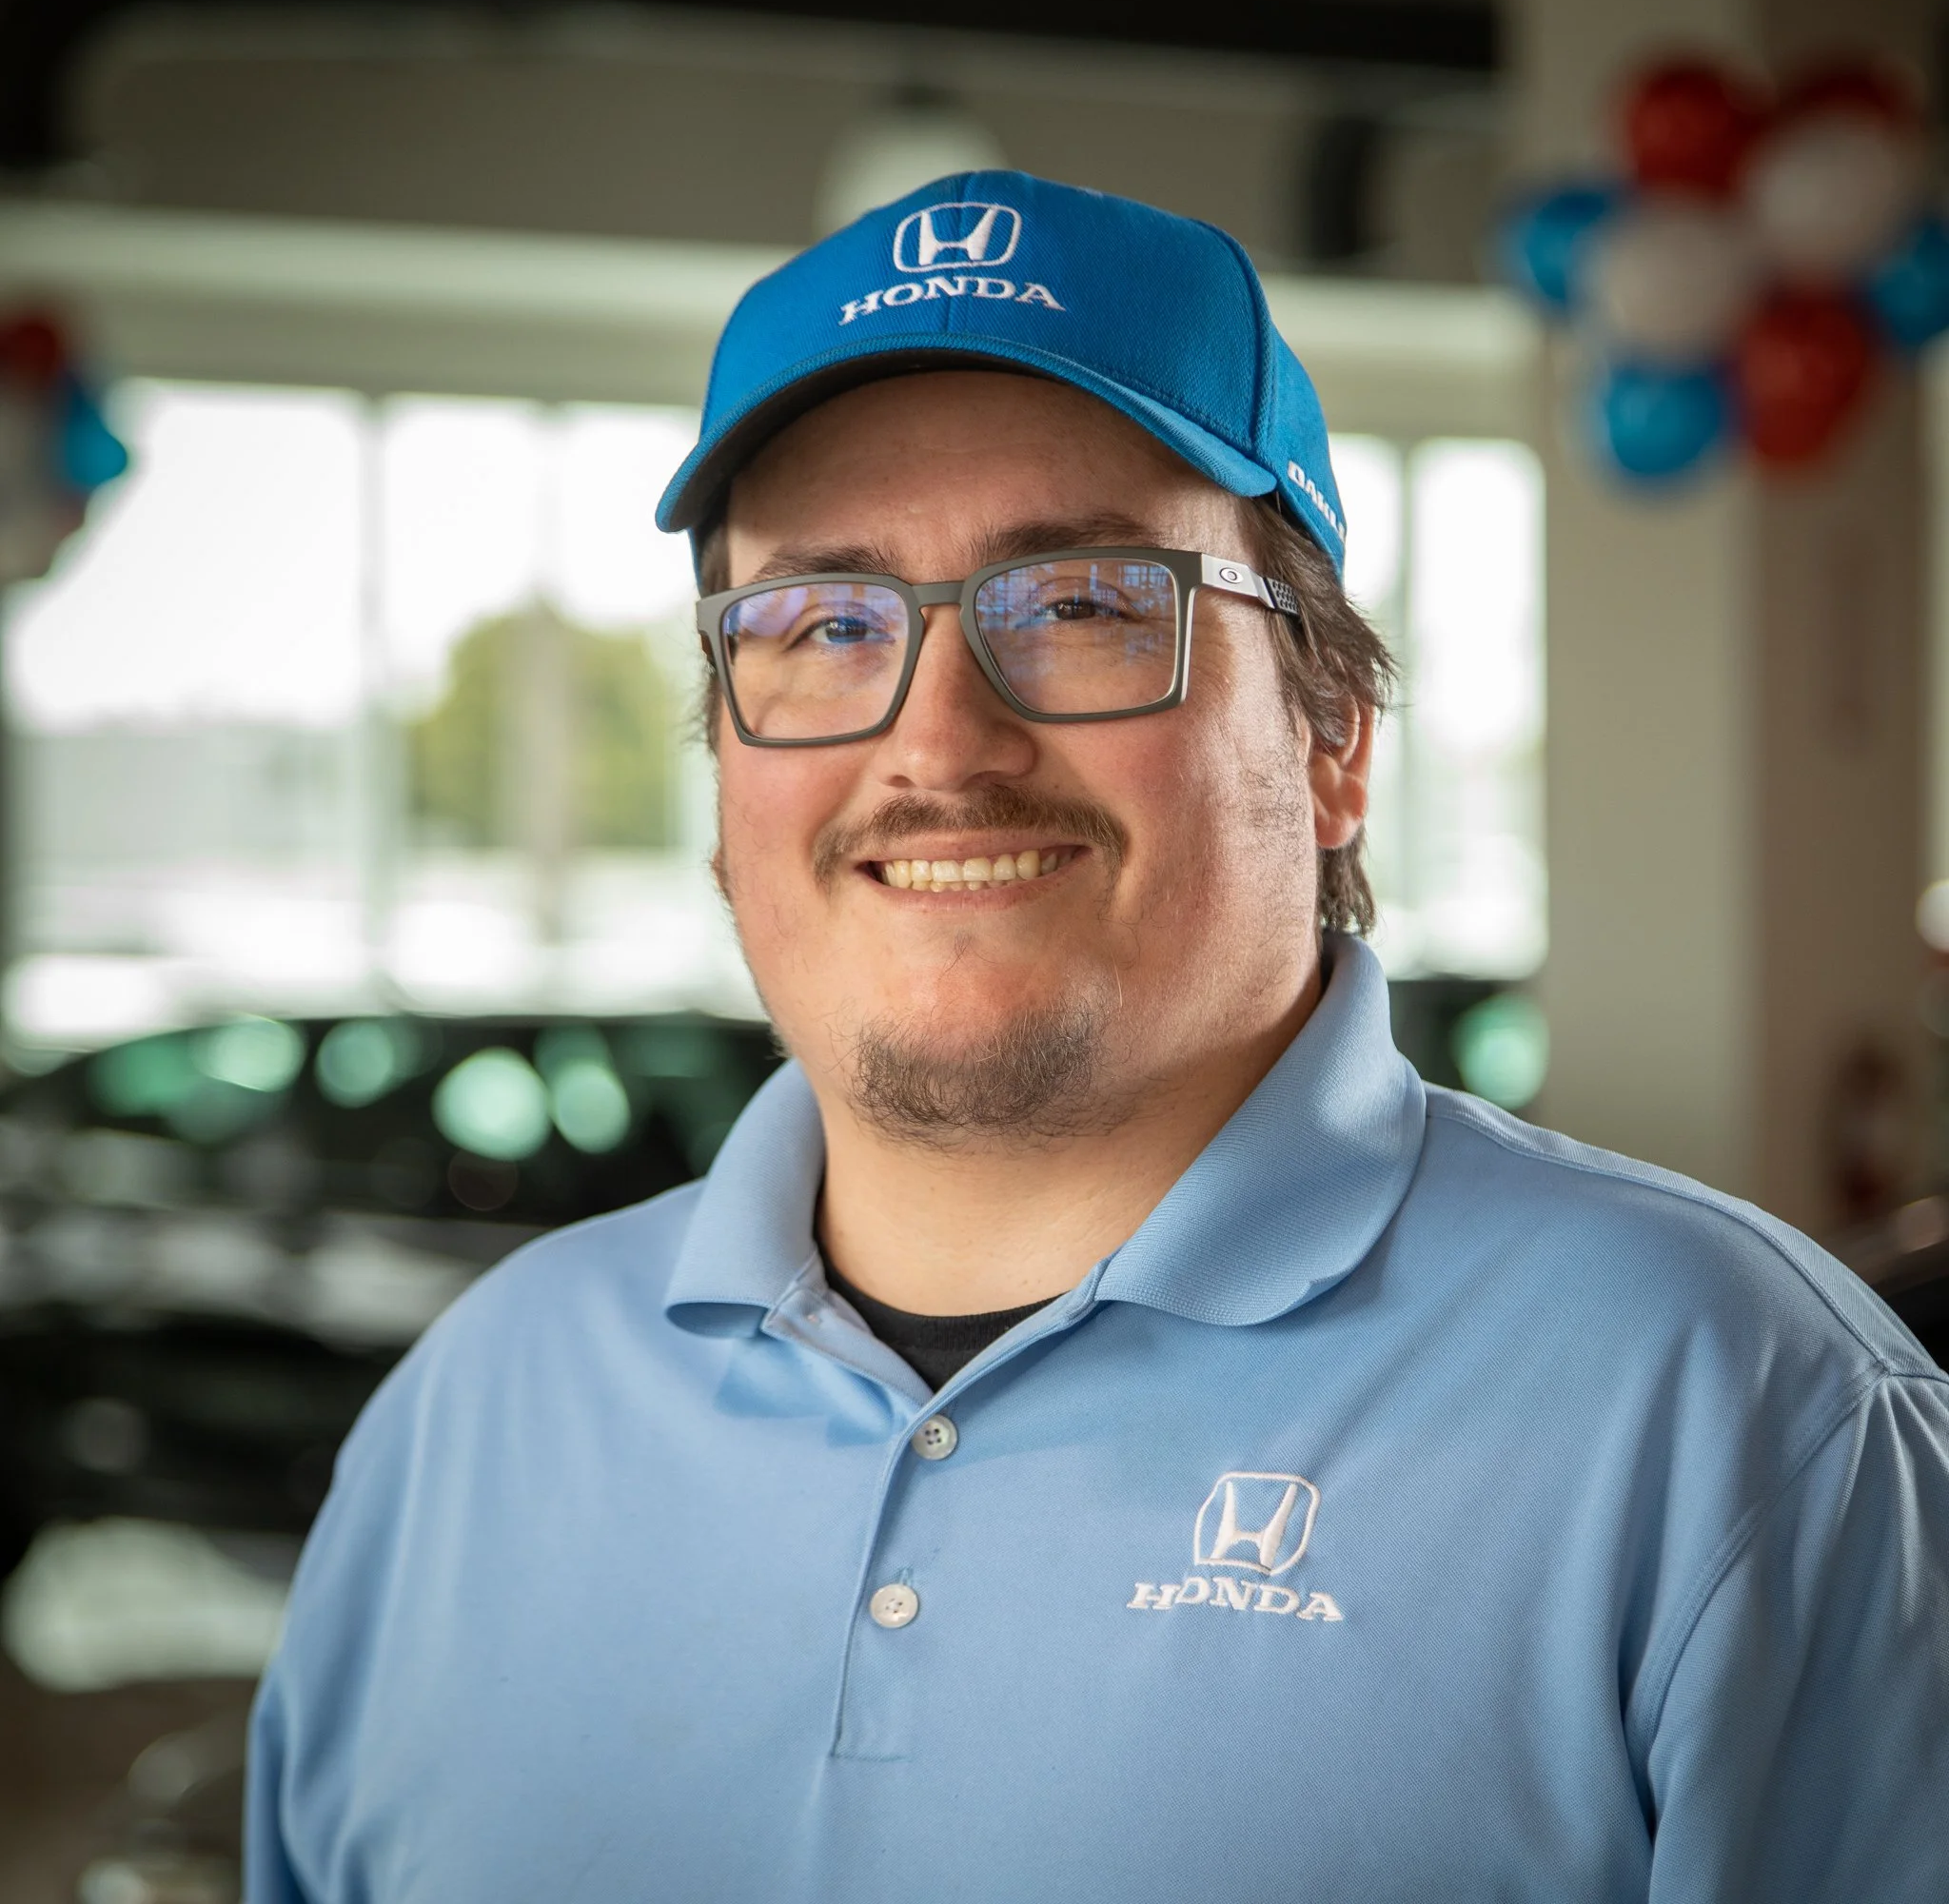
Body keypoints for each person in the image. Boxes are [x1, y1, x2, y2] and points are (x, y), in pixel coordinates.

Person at [246, 171, 1949, 1902]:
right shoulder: (483, 1404)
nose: (938, 743)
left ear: (1336, 737)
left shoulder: (1739, 1415)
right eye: (824, 624)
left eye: (1080, 602)